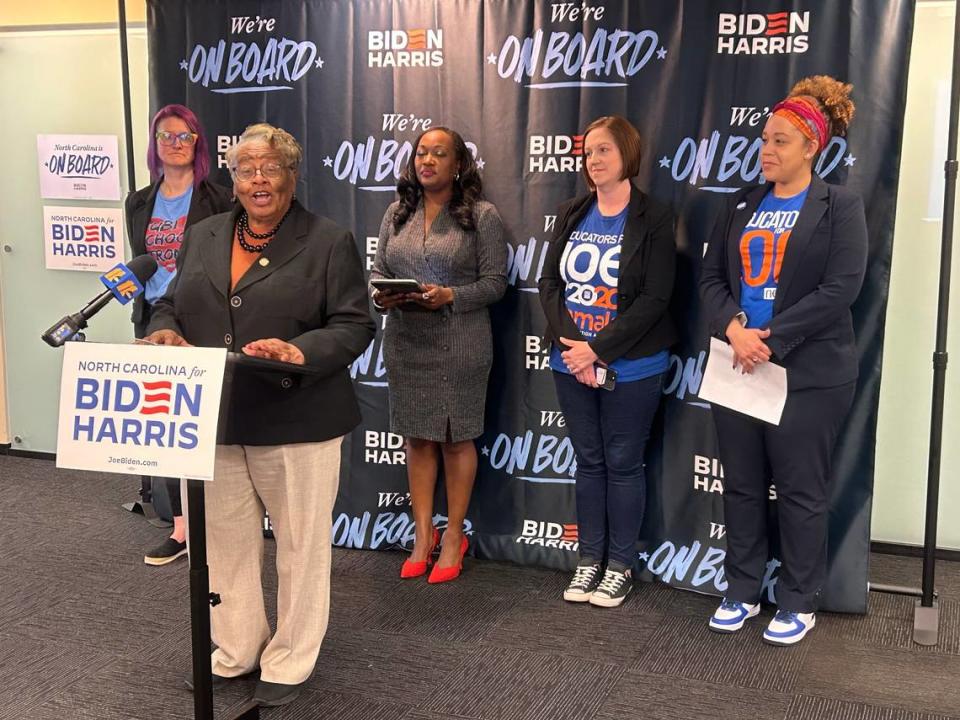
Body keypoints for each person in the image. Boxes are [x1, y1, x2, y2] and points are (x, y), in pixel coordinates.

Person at [144, 122, 374, 706]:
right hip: (214, 419)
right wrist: (166, 329)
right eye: (245, 169)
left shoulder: (328, 239)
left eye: (270, 168)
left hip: (297, 418)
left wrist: (302, 352)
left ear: (292, 176)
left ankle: (292, 656)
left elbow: (354, 324)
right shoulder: (204, 234)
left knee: (300, 546)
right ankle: (238, 646)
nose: (257, 180)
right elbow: (169, 302)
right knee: (222, 544)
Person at [699, 76, 867, 645]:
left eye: (780, 142)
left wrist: (766, 338)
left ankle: (798, 600)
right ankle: (742, 589)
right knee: (742, 486)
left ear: (811, 146)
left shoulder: (839, 206)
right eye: (764, 140)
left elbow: (841, 289)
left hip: (808, 372)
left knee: (800, 490)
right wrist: (733, 329)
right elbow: (712, 279)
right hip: (738, 363)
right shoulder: (741, 203)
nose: (766, 151)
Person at [539, 115, 677, 608]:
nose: (594, 160)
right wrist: (576, 348)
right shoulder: (572, 211)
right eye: (589, 151)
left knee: (622, 463)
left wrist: (598, 350)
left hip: (632, 365)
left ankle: (619, 564)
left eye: (605, 151)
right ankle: (588, 560)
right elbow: (550, 285)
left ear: (627, 157)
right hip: (570, 361)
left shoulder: (655, 217)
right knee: (589, 461)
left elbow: (656, 298)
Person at [370, 126, 507, 583]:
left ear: (458, 164)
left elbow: (495, 284)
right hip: (406, 341)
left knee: (454, 438)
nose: (427, 161)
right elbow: (378, 271)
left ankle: (453, 538)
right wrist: (382, 298)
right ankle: (422, 536)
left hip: (459, 342)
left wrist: (450, 295)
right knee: (417, 438)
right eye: (421, 153)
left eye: (438, 153)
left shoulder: (480, 216)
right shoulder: (396, 213)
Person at [125, 104, 233, 566]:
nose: (174, 144)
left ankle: (217, 522)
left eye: (184, 136)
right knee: (164, 426)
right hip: (153, 322)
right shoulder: (138, 201)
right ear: (155, 145)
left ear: (198, 144)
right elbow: (143, 263)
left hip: (201, 320)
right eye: (165, 136)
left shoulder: (220, 199)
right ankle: (182, 528)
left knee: (203, 423)